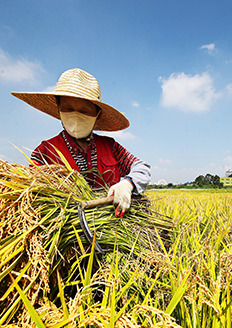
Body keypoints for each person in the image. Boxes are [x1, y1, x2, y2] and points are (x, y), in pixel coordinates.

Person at [12, 68, 151, 217]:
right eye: (68, 109)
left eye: (84, 111)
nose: (76, 117)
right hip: (68, 231)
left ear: (97, 115)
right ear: (59, 109)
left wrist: (127, 184)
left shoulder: (110, 147)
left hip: (113, 227)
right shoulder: (45, 152)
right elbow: (31, 191)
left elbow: (142, 168)